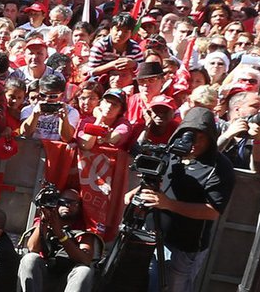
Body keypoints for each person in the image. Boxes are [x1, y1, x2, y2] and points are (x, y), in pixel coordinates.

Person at [124, 107, 235, 291]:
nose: (193, 143)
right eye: (189, 136)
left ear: (211, 138)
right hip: (152, 235)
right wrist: (138, 190)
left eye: (201, 137)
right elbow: (159, 178)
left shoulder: (220, 167)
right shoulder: (173, 153)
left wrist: (168, 204)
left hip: (184, 246)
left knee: (174, 288)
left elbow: (212, 211)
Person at [18, 187, 100, 292]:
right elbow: (33, 248)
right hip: (44, 276)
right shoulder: (44, 221)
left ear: (79, 207)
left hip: (67, 280)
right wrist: (44, 222)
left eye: (73, 203)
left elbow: (85, 259)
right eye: (63, 202)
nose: (67, 206)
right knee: (29, 259)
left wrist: (61, 235)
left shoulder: (83, 229)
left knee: (84, 271)